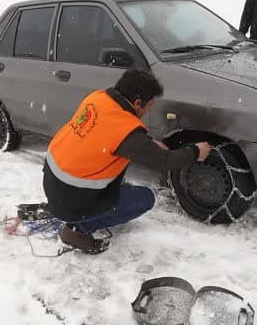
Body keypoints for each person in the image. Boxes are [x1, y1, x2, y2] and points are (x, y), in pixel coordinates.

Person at [43, 69, 210, 254]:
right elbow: (165, 161)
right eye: (149, 106)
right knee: (146, 199)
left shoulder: (98, 98)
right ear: (138, 103)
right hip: (70, 196)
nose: (149, 111)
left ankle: (71, 208)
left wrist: (145, 142)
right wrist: (196, 151)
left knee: (116, 175)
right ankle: (77, 229)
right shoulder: (126, 132)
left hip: (54, 180)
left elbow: (106, 132)